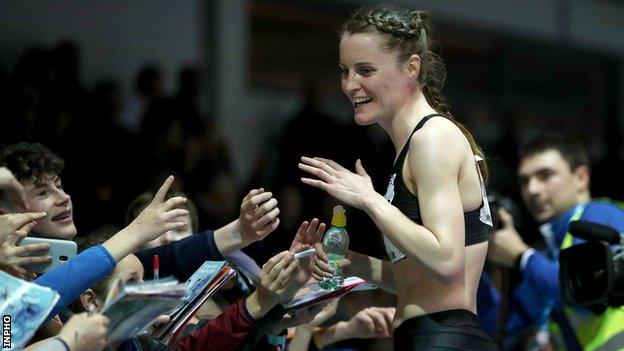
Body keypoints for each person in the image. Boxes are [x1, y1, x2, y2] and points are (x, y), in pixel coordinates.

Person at [299, 4, 497, 350]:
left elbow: (447, 261)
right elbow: (420, 282)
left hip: (442, 340)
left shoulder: (431, 140)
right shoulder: (417, 146)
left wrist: (370, 199)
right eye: (345, 71)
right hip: (431, 337)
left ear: (411, 67)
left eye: (365, 70)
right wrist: (351, 265)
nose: (350, 84)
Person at [487, 132, 624, 350]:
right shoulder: (546, 257)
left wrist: (521, 256)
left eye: (545, 175)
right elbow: (497, 325)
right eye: (524, 181)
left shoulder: (600, 215)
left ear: (581, 178)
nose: (532, 190)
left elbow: (586, 294)